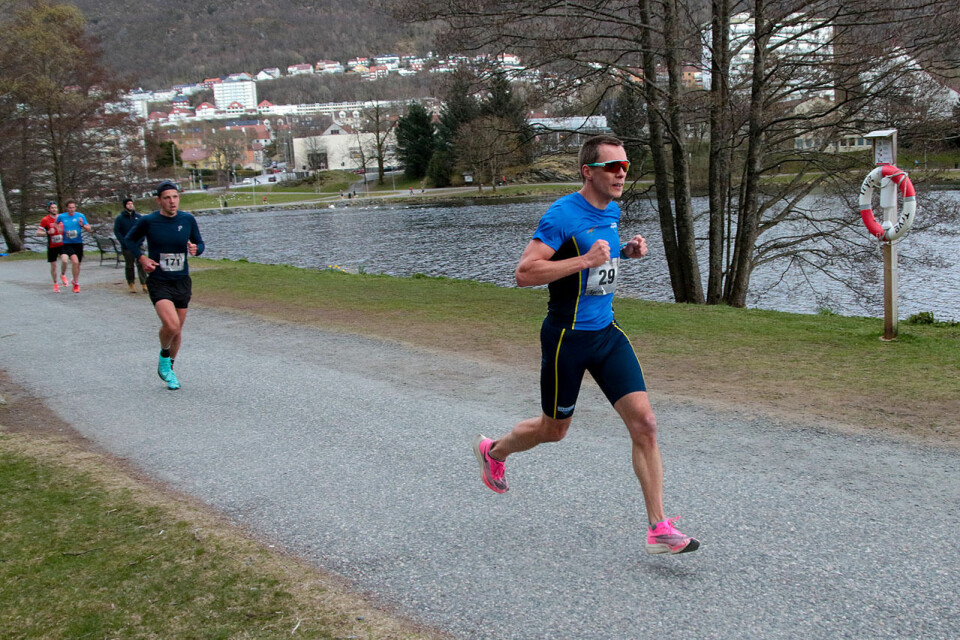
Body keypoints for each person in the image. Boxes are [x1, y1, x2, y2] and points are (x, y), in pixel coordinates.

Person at [472, 135, 699, 556]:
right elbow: (525, 273)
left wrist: (624, 254)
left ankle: (658, 527)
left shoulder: (611, 210)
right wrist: (585, 261)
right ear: (588, 172)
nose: (621, 174)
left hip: (606, 334)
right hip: (566, 340)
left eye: (625, 167)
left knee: (645, 424)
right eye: (612, 166)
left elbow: (598, 261)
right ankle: (494, 450)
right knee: (553, 431)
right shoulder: (561, 214)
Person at [124, 181, 205, 391]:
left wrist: (197, 248)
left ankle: (169, 369)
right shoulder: (149, 221)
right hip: (159, 280)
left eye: (175, 197)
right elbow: (129, 240)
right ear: (159, 200)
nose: (172, 201)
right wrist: (142, 258)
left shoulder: (187, 219)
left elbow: (200, 243)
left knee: (178, 331)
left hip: (181, 280)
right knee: (172, 326)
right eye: (167, 197)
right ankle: (164, 356)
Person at [56, 200, 92, 293]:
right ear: (67, 208)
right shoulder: (62, 217)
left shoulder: (80, 216)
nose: (72, 209)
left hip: (78, 243)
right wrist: (58, 229)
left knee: (78, 264)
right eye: (70, 208)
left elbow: (89, 229)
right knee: (75, 262)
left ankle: (74, 280)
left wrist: (82, 225)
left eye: (73, 207)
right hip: (66, 243)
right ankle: (76, 283)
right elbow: (55, 225)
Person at [113, 198, 148, 293]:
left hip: (138, 244)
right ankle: (131, 283)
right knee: (129, 265)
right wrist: (124, 241)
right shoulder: (120, 218)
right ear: (125, 206)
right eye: (128, 204)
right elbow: (117, 231)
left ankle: (144, 283)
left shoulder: (138, 217)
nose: (130, 205)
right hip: (127, 246)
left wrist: (141, 239)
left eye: (131, 204)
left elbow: (144, 229)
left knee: (141, 263)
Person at [37, 201, 68, 292]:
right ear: (48, 209)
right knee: (53, 266)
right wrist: (47, 232)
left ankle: (63, 274)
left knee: (65, 260)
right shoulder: (45, 220)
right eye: (52, 208)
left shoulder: (61, 217)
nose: (54, 209)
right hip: (52, 246)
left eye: (55, 207)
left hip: (62, 244)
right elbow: (38, 232)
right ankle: (55, 284)